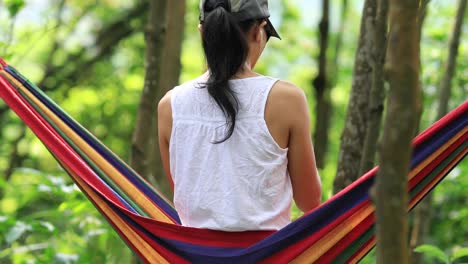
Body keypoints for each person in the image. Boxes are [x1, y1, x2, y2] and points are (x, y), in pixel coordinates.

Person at [157, 0, 321, 232]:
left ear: (202, 33)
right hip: (269, 255)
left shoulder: (169, 106)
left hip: (195, 255)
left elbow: (186, 196)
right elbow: (309, 202)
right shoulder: (287, 99)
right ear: (258, 31)